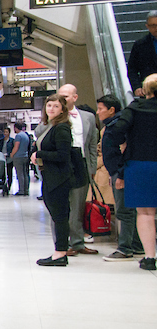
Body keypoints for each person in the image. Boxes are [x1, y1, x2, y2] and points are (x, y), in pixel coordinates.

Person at [102, 74, 157, 271]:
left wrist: (127, 143)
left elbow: (116, 132)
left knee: (145, 213)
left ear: (145, 90)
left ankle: (150, 257)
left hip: (140, 164)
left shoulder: (134, 108)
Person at [97, 94, 144, 261]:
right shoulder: (113, 124)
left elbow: (125, 150)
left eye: (101, 109)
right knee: (129, 209)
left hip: (123, 172)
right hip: (118, 171)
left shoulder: (119, 126)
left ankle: (125, 248)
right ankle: (136, 245)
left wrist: (120, 174)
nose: (98, 112)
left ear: (111, 110)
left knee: (124, 211)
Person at [56, 83, 99, 255]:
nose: (62, 99)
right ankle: (62, 245)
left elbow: (92, 146)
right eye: (60, 95)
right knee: (61, 207)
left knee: (78, 206)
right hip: (61, 164)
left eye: (66, 96)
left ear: (75, 97)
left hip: (81, 163)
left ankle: (78, 243)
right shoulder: (53, 115)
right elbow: (40, 134)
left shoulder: (88, 117)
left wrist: (92, 168)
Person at [31, 94, 75, 266]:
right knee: (58, 216)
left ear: (63, 109)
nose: (51, 109)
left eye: (56, 106)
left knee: (60, 216)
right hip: (51, 177)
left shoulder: (61, 128)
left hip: (59, 178)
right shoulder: (52, 126)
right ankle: (60, 251)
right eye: (49, 105)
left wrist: (39, 154)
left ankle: (60, 253)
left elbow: (63, 155)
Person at [127, 11, 157, 98]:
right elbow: (132, 69)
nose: (156, 28)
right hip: (149, 92)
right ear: (147, 26)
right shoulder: (140, 45)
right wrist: (137, 87)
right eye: (153, 25)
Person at [9, 119, 31, 195]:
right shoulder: (25, 135)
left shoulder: (18, 136)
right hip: (25, 156)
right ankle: (26, 190)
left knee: (20, 174)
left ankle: (21, 190)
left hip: (18, 157)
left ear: (15, 128)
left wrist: (12, 154)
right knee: (25, 174)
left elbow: (16, 146)